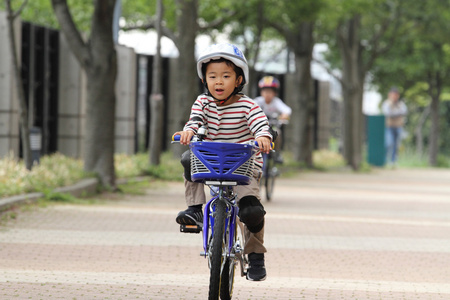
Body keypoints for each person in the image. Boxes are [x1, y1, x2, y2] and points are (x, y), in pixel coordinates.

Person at [173, 43, 273, 281]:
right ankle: (195, 210)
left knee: (251, 210)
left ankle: (256, 255)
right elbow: (195, 121)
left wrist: (263, 136)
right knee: (188, 158)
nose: (218, 82)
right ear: (204, 80)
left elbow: (260, 123)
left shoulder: (248, 105)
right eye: (212, 76)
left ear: (239, 80)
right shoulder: (202, 103)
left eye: (226, 76)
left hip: (244, 166)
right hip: (210, 163)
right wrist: (189, 131)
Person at [254, 76, 292, 163]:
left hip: (272, 126)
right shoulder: (258, 101)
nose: (267, 94)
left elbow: (287, 110)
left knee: (277, 133)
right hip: (260, 126)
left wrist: (284, 115)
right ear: (261, 92)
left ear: (274, 93)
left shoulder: (276, 102)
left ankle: (277, 154)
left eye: (270, 91)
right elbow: (249, 108)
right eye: (265, 91)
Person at [381, 87, 407, 167]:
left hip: (398, 126)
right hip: (389, 127)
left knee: (396, 144)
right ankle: (385, 160)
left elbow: (404, 111)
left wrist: (395, 113)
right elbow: (388, 113)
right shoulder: (386, 103)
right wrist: (397, 113)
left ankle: (393, 161)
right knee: (389, 143)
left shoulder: (401, 104)